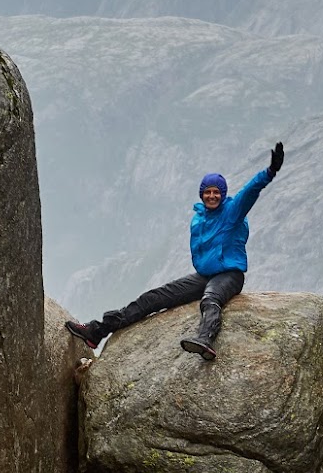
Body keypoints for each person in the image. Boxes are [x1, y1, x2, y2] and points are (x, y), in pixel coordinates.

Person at [65, 142, 285, 363]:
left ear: (223, 194)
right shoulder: (199, 218)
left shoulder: (232, 212)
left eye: (216, 192)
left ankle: (205, 340)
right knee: (154, 298)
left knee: (210, 299)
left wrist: (269, 172)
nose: (212, 196)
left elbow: (249, 192)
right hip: (204, 275)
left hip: (230, 275)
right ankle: (97, 331)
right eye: (207, 192)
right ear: (202, 195)